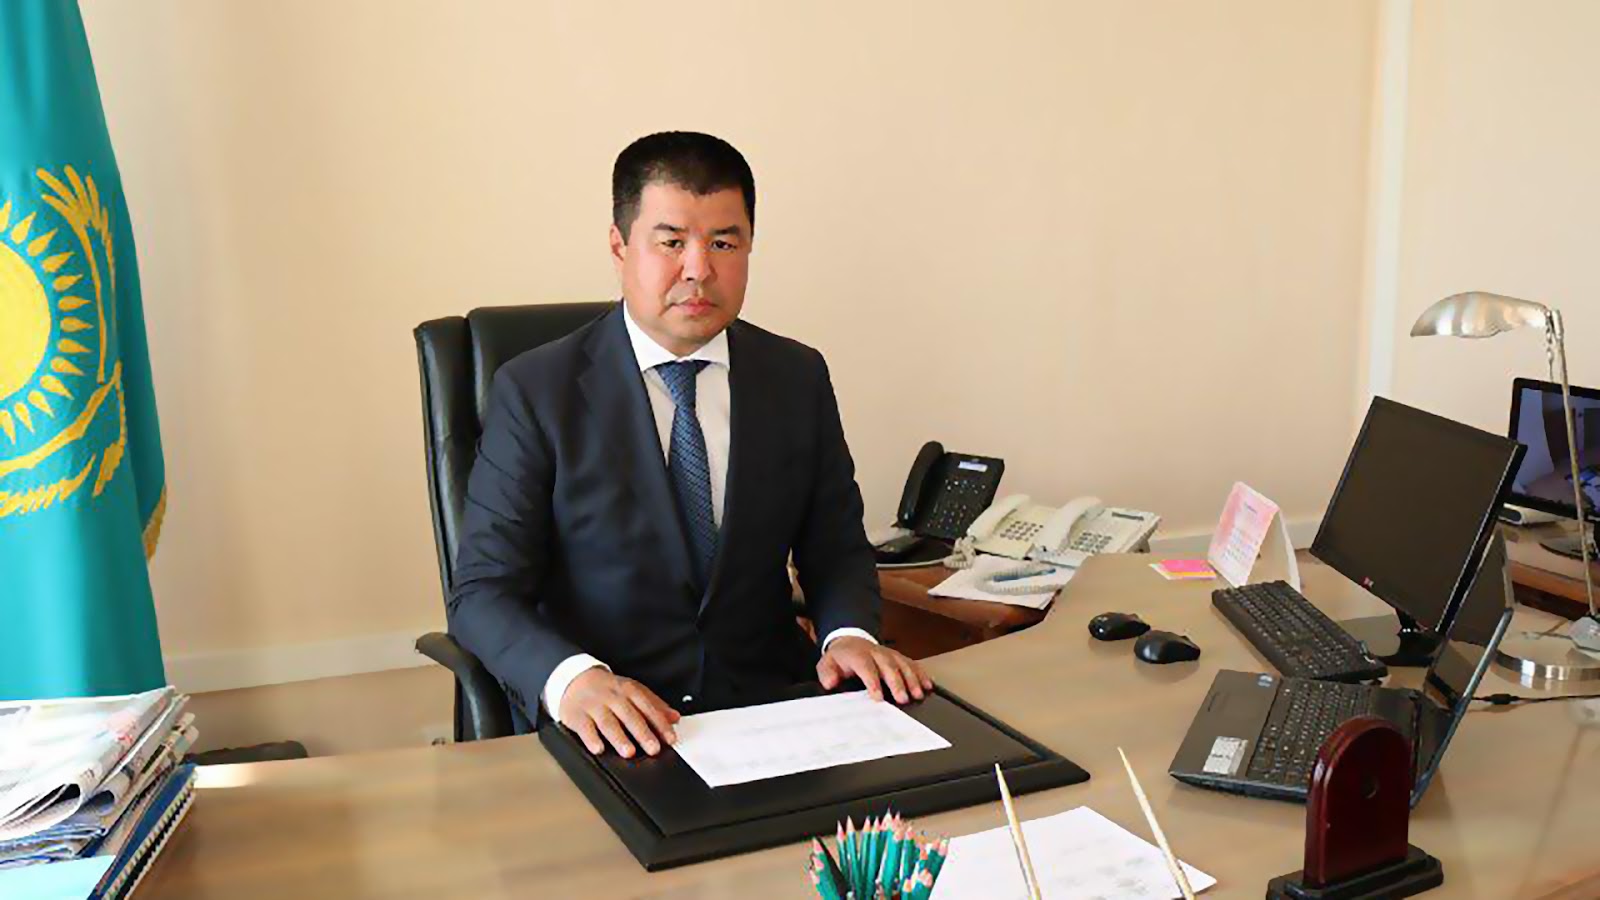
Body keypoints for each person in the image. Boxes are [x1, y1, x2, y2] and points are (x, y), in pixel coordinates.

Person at [450, 131, 931, 759]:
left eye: (724, 243)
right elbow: (483, 592)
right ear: (620, 246)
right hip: (617, 725)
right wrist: (573, 681)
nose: (699, 269)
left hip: (770, 711)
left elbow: (835, 548)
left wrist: (848, 636)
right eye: (671, 242)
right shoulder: (537, 390)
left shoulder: (796, 376)